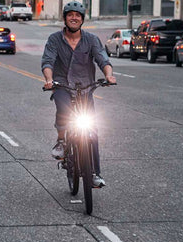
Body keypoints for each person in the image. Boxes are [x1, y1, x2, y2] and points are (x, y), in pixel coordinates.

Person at [41, 1, 116, 187]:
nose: (74, 18)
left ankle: (95, 173)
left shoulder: (91, 39)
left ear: (82, 19)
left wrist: (109, 76)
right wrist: (49, 80)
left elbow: (102, 58)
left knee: (92, 130)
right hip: (63, 86)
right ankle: (61, 141)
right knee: (62, 106)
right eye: (70, 15)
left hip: (85, 88)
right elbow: (48, 61)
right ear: (65, 18)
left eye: (78, 15)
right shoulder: (54, 39)